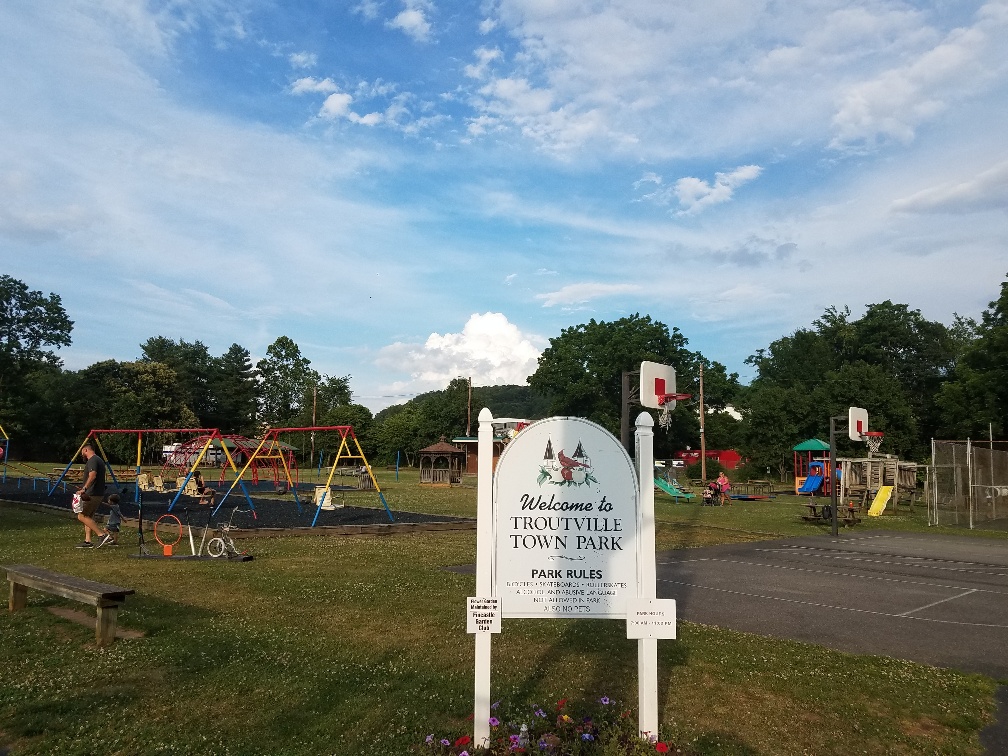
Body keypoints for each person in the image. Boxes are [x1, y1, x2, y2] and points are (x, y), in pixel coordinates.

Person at [77, 443, 114, 548]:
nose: (82, 455)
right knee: (88, 516)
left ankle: (102, 535)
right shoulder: (99, 460)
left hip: (92, 493)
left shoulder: (92, 460)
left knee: (81, 515)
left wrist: (84, 488)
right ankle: (88, 541)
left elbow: (92, 475)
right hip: (97, 493)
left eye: (82, 452)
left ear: (85, 450)